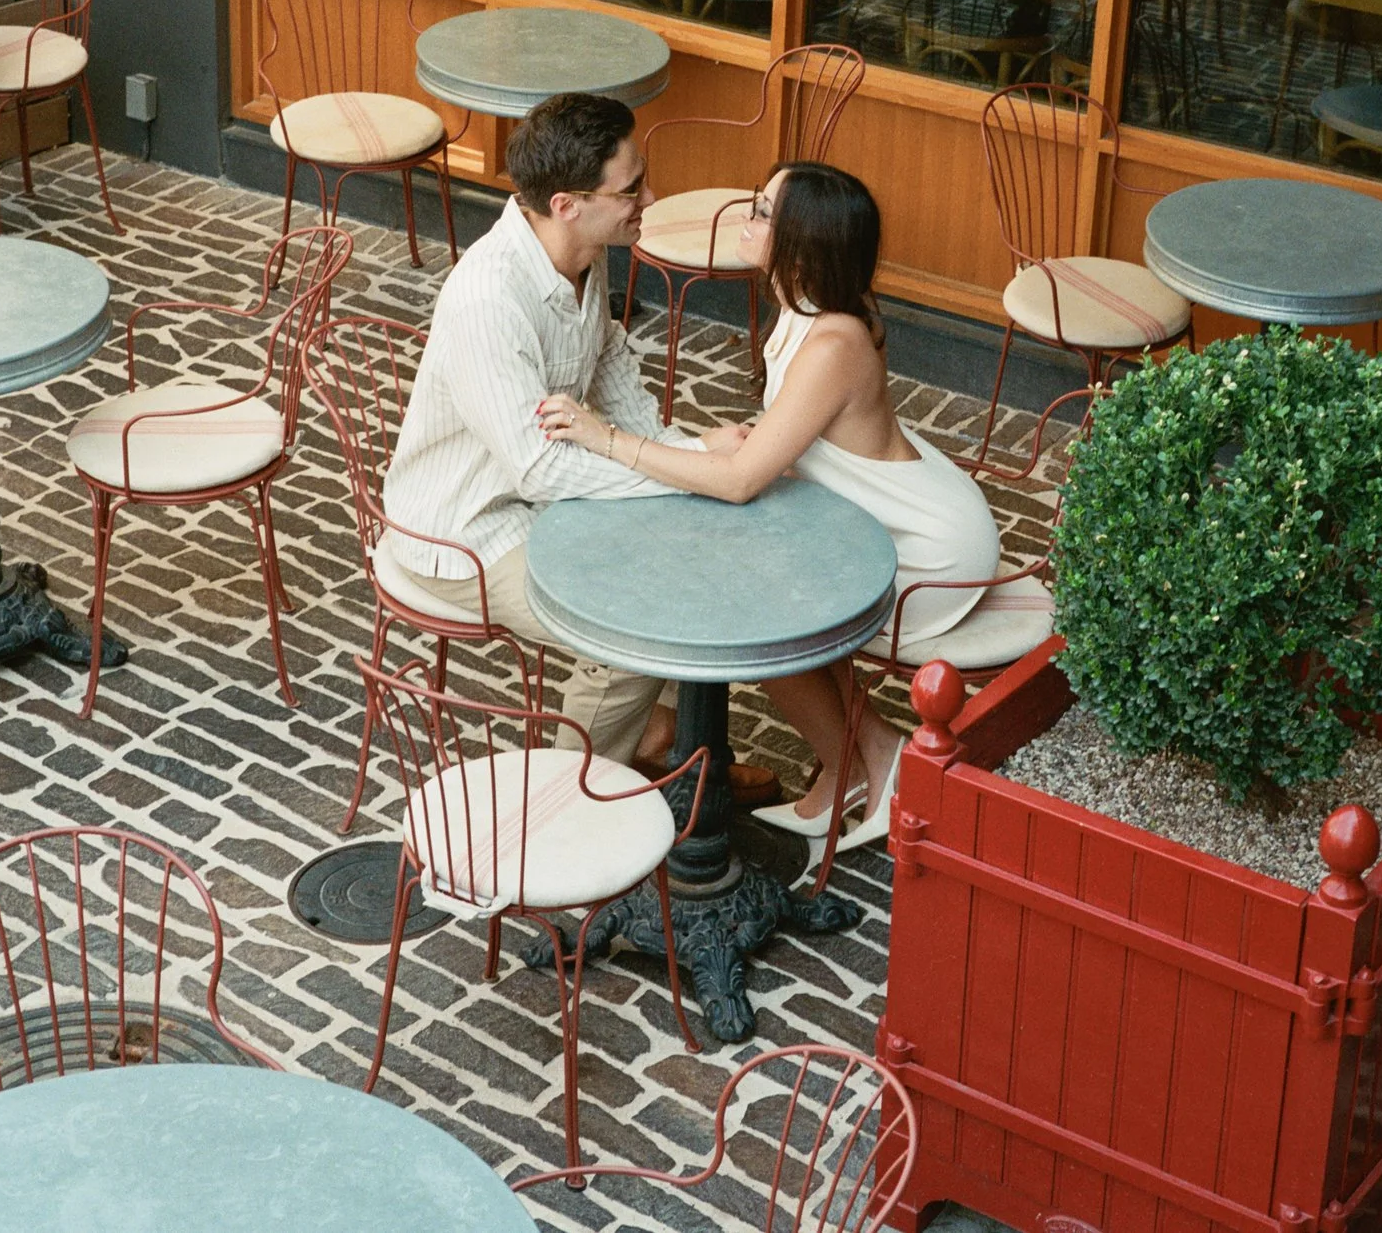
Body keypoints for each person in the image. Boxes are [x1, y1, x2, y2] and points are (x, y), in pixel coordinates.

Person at [536, 162, 1001, 853]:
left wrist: (609, 440)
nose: (745, 217)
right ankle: (843, 771)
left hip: (930, 551)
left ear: (804, 243)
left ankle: (880, 757)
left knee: (767, 608)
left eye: (761, 210)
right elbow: (775, 451)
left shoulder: (835, 341)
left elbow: (742, 481)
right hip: (872, 521)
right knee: (764, 583)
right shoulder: (799, 310)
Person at [378, 93, 727, 762]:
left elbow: (613, 380)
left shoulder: (586, 250)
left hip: (543, 501)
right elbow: (537, 467)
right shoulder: (489, 299)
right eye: (631, 189)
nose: (651, 197)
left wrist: (687, 460)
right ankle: (578, 798)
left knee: (695, 557)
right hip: (465, 531)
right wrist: (682, 477)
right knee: (633, 627)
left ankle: (674, 742)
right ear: (568, 204)